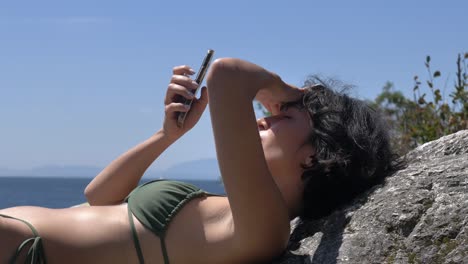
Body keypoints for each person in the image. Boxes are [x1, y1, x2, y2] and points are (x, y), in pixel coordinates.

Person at [0, 58, 395, 264]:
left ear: (317, 153)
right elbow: (98, 196)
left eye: (282, 115)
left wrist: (285, 88)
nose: (262, 114)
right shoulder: (230, 209)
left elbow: (228, 75)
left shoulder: (268, 229)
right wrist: (167, 136)